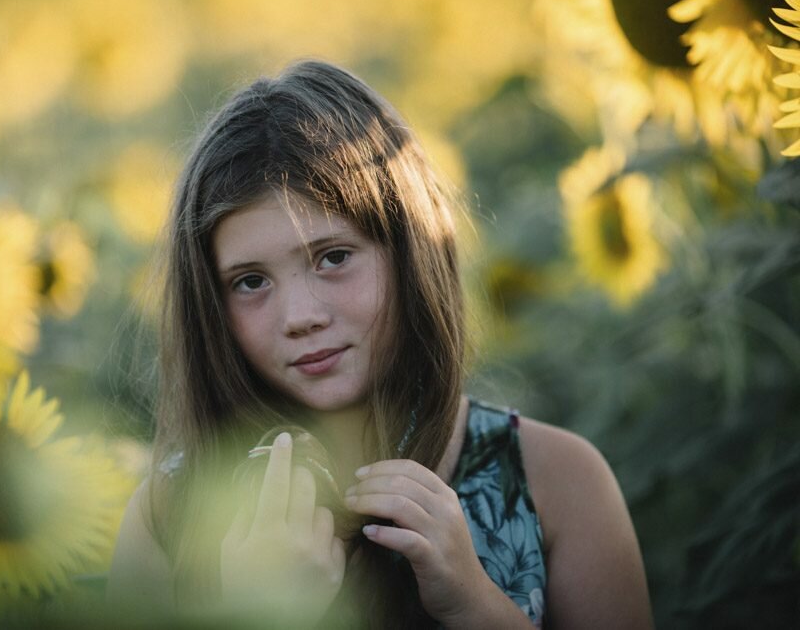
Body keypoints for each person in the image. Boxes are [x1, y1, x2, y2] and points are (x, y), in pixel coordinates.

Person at [108, 59, 653, 628]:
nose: (300, 317)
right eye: (250, 282)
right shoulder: (169, 513)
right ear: (209, 308)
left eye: (334, 257)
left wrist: (475, 602)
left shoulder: (557, 480)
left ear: (411, 252)